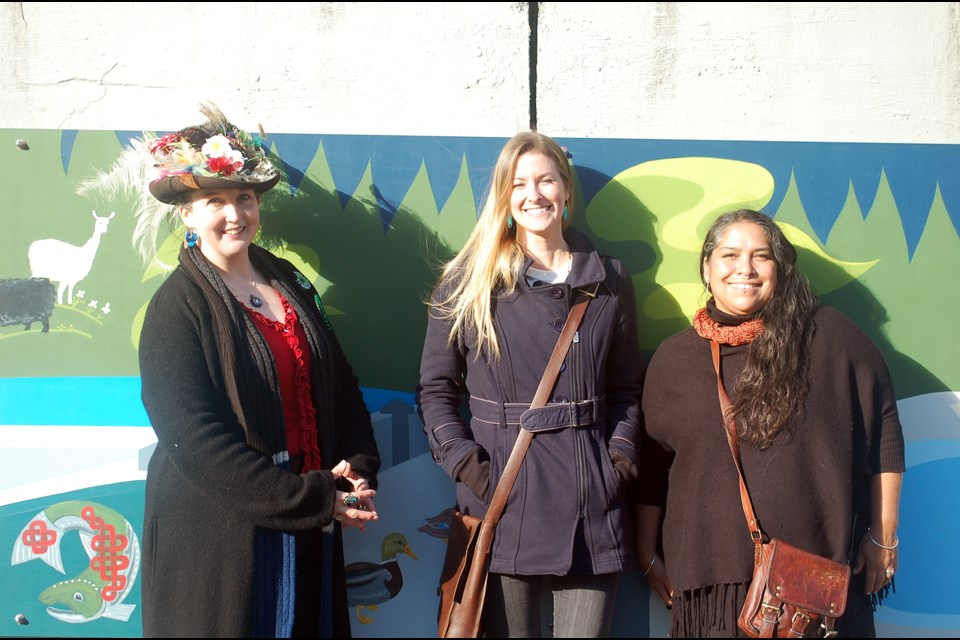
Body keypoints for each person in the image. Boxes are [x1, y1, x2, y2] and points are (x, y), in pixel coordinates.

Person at [121, 104, 381, 637]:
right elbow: (196, 442)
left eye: (244, 197)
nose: (235, 213)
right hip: (220, 540)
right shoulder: (175, 310)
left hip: (307, 518)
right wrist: (314, 499)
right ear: (186, 214)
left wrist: (355, 468)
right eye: (215, 200)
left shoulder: (288, 281)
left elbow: (339, 383)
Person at [636, 209, 905, 637]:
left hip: (811, 591)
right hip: (711, 593)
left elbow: (884, 431)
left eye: (761, 256)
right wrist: (647, 552)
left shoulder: (828, 338)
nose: (745, 268)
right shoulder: (672, 360)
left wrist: (883, 537)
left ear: (780, 269)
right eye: (729, 255)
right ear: (706, 269)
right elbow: (653, 468)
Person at [418, 131, 644, 637]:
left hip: (590, 499)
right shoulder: (466, 282)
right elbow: (435, 392)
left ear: (565, 190)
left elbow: (627, 386)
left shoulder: (608, 279)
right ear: (504, 195)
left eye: (545, 180)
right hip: (503, 496)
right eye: (519, 183)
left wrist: (618, 462)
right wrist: (472, 470)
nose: (533, 194)